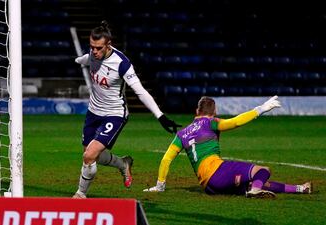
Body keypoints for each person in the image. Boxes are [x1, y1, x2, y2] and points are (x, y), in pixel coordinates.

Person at [72, 21, 181, 198]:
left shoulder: (122, 63)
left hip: (114, 114)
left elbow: (140, 91)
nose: (94, 51)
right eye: (92, 47)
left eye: (98, 48)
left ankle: (80, 195)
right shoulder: (92, 55)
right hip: (93, 112)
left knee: (89, 155)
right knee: (92, 155)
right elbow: (84, 59)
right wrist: (78, 60)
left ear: (109, 45)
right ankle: (123, 164)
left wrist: (160, 116)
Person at [144, 96, 312, 198]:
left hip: (209, 186)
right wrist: (260, 109)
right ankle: (255, 191)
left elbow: (166, 159)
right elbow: (235, 122)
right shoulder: (211, 123)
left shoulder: (182, 134)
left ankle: (300, 189)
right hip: (217, 171)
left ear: (196, 110)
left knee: (254, 182)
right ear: (214, 112)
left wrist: (160, 185)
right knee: (263, 171)